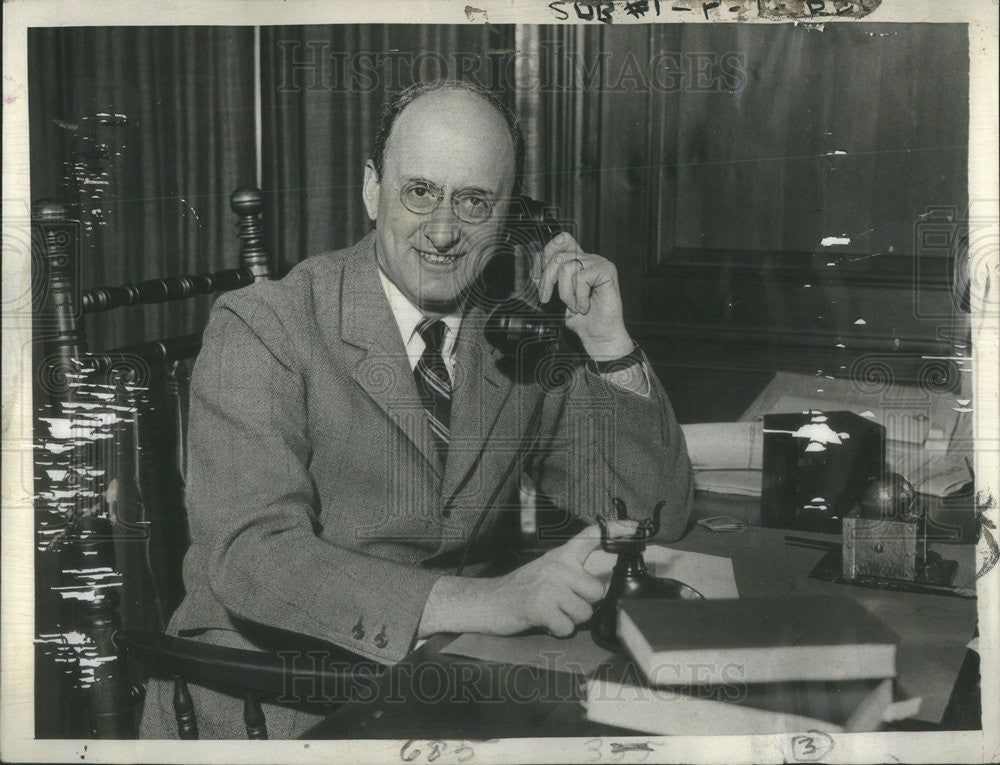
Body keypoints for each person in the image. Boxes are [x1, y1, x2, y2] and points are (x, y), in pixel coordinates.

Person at [140, 79, 693, 739]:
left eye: (474, 201)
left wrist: (607, 345)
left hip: (442, 684)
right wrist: (494, 600)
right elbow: (256, 558)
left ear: (510, 214)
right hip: (272, 697)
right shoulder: (264, 325)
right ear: (372, 187)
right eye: (419, 190)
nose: (442, 232)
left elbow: (657, 516)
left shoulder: (516, 334)